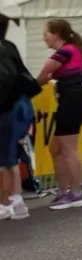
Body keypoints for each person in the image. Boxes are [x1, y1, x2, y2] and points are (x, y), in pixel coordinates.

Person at [34, 18, 82, 210]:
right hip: (74, 98)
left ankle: (76, 193)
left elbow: (44, 74)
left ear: (56, 34)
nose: (44, 38)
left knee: (69, 148)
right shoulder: (73, 50)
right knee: (56, 149)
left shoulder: (66, 51)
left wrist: (27, 88)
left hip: (74, 99)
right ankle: (64, 191)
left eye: (46, 34)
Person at [0, 11, 37, 220]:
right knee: (11, 156)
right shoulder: (10, 47)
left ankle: (4, 203)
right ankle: (17, 201)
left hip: (6, 109)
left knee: (3, 159)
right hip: (21, 107)